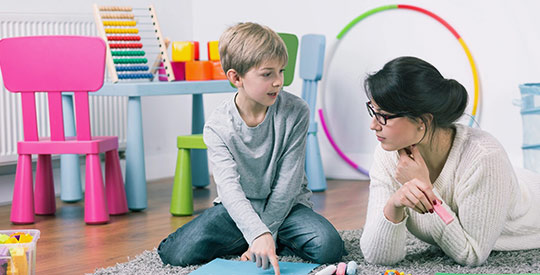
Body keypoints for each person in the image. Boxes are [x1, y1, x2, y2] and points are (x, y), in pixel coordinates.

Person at [157, 22, 345, 274]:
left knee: (328, 247)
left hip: (288, 208)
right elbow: (229, 189)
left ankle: (263, 241)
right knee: (175, 253)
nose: (279, 81)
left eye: (281, 71)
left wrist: (264, 231)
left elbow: (287, 184)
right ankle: (261, 241)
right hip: (236, 210)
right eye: (267, 74)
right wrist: (256, 233)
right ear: (236, 77)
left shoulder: (296, 111)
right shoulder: (218, 125)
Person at [360, 56, 540, 266]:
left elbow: (472, 254)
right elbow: (377, 258)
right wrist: (394, 204)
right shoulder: (387, 154)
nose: (373, 125)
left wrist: (425, 189)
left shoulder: (484, 157)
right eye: (373, 111)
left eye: (383, 116)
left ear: (422, 121)